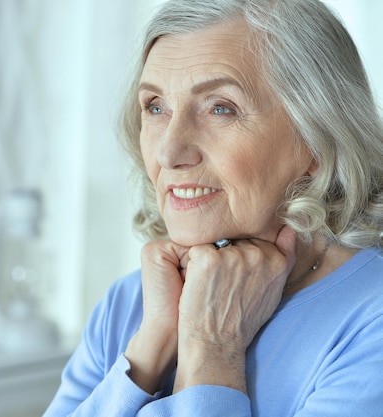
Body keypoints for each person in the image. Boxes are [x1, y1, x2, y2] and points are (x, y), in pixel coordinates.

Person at [43, 0, 383, 416]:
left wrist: (211, 349)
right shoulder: (132, 304)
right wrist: (151, 351)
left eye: (220, 108)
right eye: (155, 107)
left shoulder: (372, 325)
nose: (169, 151)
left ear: (317, 136)